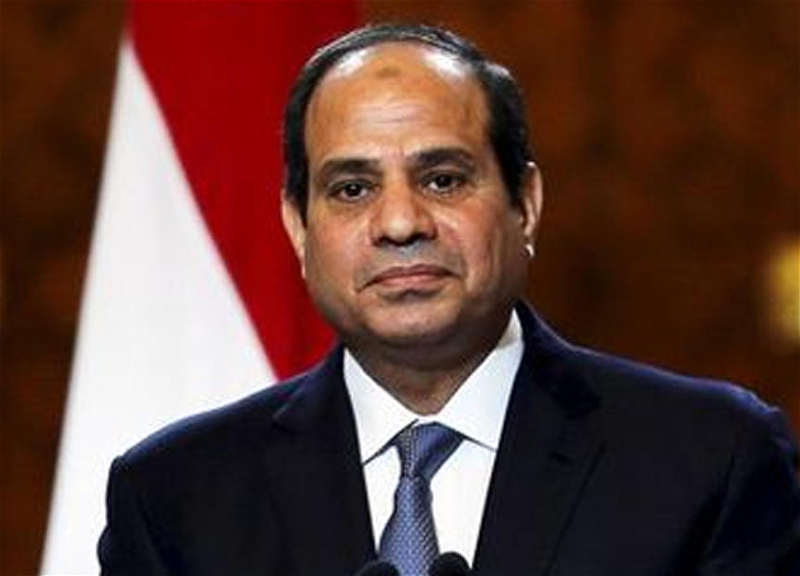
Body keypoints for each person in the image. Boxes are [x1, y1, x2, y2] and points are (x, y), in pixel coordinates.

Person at [98, 24, 800, 576]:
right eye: (352, 189)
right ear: (298, 227)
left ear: (525, 204)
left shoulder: (713, 461)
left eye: (442, 179)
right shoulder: (175, 496)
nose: (401, 223)